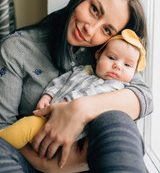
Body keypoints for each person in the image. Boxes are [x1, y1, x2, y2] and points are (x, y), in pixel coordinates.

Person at [0, 0, 152, 173]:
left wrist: (80, 109)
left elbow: (144, 96)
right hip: (31, 162)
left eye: (106, 30)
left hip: (94, 158)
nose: (90, 30)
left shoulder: (109, 53)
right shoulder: (17, 48)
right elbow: (3, 128)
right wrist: (54, 166)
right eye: (94, 10)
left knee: (116, 118)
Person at [0, 29, 147, 150]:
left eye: (127, 65)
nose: (118, 66)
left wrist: (68, 102)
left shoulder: (117, 87)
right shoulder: (83, 70)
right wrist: (48, 96)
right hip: (50, 118)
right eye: (112, 58)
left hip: (75, 133)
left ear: (135, 73)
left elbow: (91, 96)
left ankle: (3, 142)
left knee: (27, 126)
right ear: (98, 56)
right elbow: (60, 81)